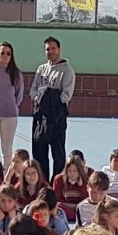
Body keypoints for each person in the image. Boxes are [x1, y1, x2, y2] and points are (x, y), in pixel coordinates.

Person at [26, 36, 75, 180]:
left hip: (56, 117)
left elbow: (66, 94)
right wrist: (39, 98)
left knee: (57, 152)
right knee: (39, 150)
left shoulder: (67, 70)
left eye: (53, 48)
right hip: (40, 116)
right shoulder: (41, 69)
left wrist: (52, 101)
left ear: (59, 49)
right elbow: (33, 90)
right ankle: (42, 181)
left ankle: (57, 182)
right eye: (48, 49)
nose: (51, 52)